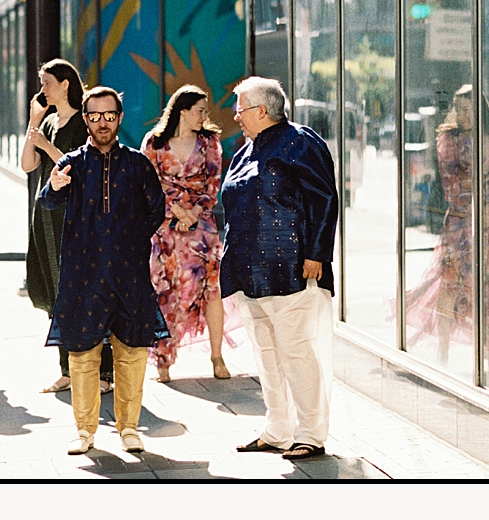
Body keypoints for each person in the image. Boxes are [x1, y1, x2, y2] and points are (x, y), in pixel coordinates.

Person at [39, 86, 171, 455]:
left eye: (108, 116)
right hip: (84, 275)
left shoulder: (137, 163)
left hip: (128, 275)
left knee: (132, 352)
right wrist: (53, 185)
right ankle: (85, 431)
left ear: (119, 119)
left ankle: (129, 428)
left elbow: (155, 209)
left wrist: (127, 242)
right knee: (83, 355)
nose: (102, 123)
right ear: (85, 119)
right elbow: (47, 203)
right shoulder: (71, 164)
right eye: (94, 116)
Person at [221, 77, 340, 461]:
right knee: (267, 354)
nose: (235, 115)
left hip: (293, 269)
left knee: (297, 352)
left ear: (261, 110)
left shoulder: (301, 142)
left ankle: (311, 433)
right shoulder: (246, 151)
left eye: (240, 108)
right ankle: (277, 430)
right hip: (249, 273)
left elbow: (325, 198)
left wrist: (317, 254)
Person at [406, 84, 489, 372]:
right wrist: (470, 205)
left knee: (486, 286)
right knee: (451, 283)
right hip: (460, 220)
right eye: (460, 109)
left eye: (469, 109)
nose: (465, 115)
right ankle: (442, 350)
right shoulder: (449, 139)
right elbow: (449, 181)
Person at [21, 59, 106, 394]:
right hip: (47, 216)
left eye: (47, 83)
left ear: (65, 84)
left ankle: (102, 371)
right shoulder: (51, 122)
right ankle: (67, 368)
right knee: (56, 289)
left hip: (78, 218)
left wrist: (46, 145)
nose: (42, 89)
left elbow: (82, 169)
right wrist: (34, 124)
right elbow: (28, 164)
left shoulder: (84, 123)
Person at [141, 84, 234, 382]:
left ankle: (217, 356)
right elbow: (148, 185)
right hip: (164, 226)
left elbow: (213, 184)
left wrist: (193, 213)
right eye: (199, 111)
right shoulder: (154, 142)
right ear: (182, 110)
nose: (203, 116)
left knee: (211, 289)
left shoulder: (210, 142)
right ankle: (163, 359)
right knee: (163, 290)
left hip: (202, 225)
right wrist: (174, 212)